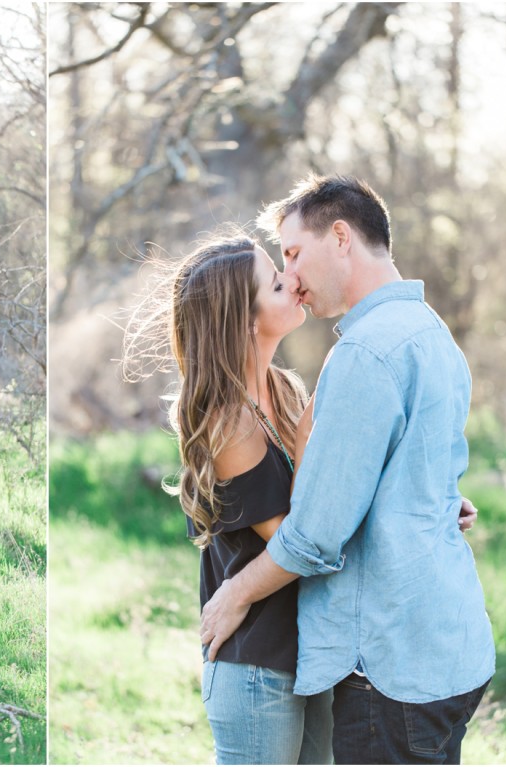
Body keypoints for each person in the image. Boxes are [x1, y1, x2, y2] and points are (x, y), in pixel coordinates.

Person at [200, 174, 494, 764]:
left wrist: (234, 592)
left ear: (340, 237)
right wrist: (428, 500)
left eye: (293, 253)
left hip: (391, 659)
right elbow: (409, 467)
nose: (292, 276)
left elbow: (314, 534)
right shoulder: (432, 334)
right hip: (449, 643)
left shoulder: (364, 353)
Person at [164, 233, 334, 764]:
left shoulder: (282, 391)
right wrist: (307, 439)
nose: (294, 283)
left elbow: (338, 491)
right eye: (276, 283)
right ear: (243, 318)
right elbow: (297, 542)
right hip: (257, 669)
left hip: (309, 654)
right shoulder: (227, 422)